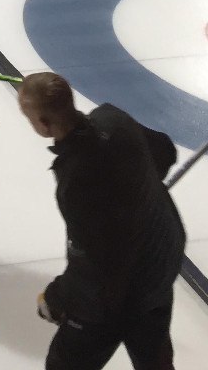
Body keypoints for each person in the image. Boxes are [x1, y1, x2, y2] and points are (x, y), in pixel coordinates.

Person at [18, 72, 186, 370]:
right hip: (160, 264)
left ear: (43, 124)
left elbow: (95, 266)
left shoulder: (76, 183)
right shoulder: (113, 119)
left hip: (120, 296)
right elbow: (164, 151)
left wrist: (56, 299)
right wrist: (135, 188)